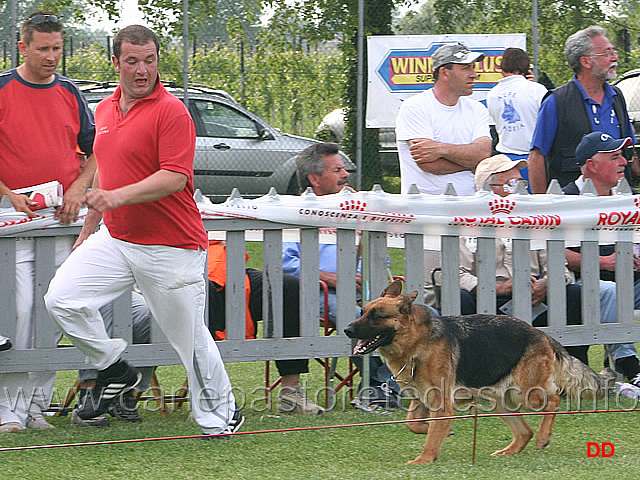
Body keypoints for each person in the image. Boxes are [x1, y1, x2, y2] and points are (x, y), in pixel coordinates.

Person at [44, 25, 242, 437]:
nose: (142, 70)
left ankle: (221, 417)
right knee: (62, 299)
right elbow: (106, 167)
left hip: (172, 246)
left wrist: (114, 197)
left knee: (188, 340)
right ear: (115, 63)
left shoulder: (171, 111)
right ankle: (114, 366)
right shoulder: (104, 109)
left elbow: (174, 177)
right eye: (132, 61)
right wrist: (89, 228)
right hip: (114, 240)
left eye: (149, 60)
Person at [0, 12, 96, 433]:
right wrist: (7, 192)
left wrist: (77, 190)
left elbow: (98, 152)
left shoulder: (71, 93)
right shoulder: (2, 88)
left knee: (53, 310)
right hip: (13, 222)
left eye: (57, 48)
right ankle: (8, 408)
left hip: (61, 220)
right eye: (43, 49)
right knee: (19, 313)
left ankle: (37, 406)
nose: (52, 57)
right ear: (22, 47)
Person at [461, 154, 621, 365]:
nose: (519, 189)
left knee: (575, 294)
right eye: (511, 184)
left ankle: (572, 369)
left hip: (536, 297)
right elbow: (455, 274)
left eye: (521, 183)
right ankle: (475, 370)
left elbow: (560, 269)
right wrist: (496, 288)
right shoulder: (465, 224)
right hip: (486, 302)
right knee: (461, 299)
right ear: (488, 189)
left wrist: (547, 284)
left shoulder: (535, 221)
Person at [282, 142, 402, 410]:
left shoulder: (356, 208)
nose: (346, 174)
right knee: (359, 321)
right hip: (322, 294)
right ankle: (383, 387)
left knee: (421, 315)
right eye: (337, 170)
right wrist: (330, 278)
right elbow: (284, 264)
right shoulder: (292, 211)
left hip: (370, 294)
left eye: (344, 168)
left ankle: (384, 386)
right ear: (314, 178)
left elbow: (382, 259)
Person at [206, 240, 324, 414]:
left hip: (225, 264)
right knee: (206, 290)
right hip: (183, 270)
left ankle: (290, 393)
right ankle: (207, 395)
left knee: (287, 287)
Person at [562, 131, 640, 386]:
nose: (624, 162)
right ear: (592, 166)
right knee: (611, 291)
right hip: (579, 287)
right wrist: (603, 263)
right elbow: (549, 253)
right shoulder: (564, 199)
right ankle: (632, 368)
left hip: (628, 281)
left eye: (623, 156)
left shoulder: (624, 199)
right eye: (615, 157)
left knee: (617, 290)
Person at [528, 25, 636, 193]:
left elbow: (631, 153)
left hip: (618, 201)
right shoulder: (557, 101)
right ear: (585, 61)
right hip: (574, 205)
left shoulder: (616, 96)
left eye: (613, 52)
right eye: (606, 53)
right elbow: (537, 156)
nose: (614, 58)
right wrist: (542, 205)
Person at [395, 42, 492, 196]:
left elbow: (483, 153)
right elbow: (429, 164)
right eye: (466, 68)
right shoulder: (414, 107)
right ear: (444, 72)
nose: (474, 74)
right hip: (426, 210)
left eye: (473, 68)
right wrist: (472, 163)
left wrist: (440, 149)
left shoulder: (477, 109)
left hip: (469, 207)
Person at [486, 47, 548, 188]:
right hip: (534, 158)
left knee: (510, 206)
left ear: (502, 68)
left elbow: (495, 126)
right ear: (527, 68)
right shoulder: (537, 90)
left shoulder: (492, 94)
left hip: (506, 159)